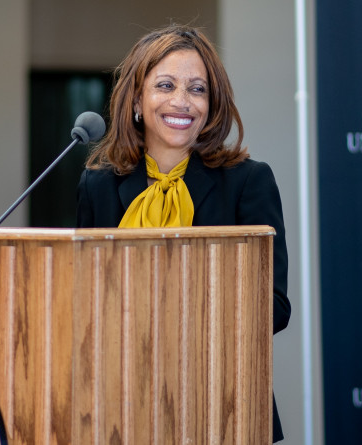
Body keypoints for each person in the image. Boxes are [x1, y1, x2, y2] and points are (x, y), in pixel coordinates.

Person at [76, 24, 290, 442]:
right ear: (137, 99)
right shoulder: (97, 185)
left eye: (197, 89)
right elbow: (81, 296)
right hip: (119, 405)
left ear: (211, 105)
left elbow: (274, 308)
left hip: (223, 403)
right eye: (166, 85)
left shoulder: (248, 182)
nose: (181, 101)